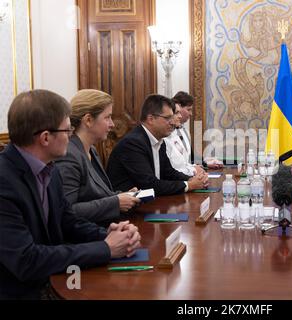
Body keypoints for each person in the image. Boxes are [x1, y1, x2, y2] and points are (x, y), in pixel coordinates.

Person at [0, 90, 141, 299]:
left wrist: (109, 234)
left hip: (52, 280)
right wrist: (105, 248)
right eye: (67, 130)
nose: (71, 136)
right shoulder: (4, 181)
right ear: (46, 138)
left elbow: (68, 220)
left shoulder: (50, 168)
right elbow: (26, 260)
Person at [55, 89, 141, 226]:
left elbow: (98, 194)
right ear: (88, 120)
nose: (112, 124)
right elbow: (67, 211)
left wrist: (124, 195)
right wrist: (116, 202)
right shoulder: (69, 155)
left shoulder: (91, 150)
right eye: (107, 117)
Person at [106, 94, 208, 196]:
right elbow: (149, 184)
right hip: (130, 208)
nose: (172, 122)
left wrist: (192, 179)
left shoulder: (159, 140)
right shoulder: (133, 143)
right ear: (151, 119)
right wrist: (189, 185)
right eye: (168, 118)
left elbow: (168, 172)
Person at [172, 91, 223, 169]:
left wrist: (206, 163)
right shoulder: (168, 133)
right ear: (178, 107)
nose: (191, 114)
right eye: (188, 110)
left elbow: (190, 159)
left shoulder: (185, 131)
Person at [164, 102, 205, 176]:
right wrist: (193, 171)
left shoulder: (175, 137)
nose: (180, 116)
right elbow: (170, 171)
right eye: (177, 113)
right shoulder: (164, 139)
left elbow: (184, 163)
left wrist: (194, 168)